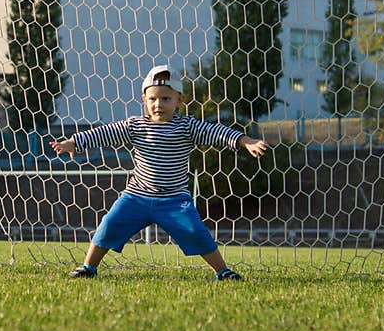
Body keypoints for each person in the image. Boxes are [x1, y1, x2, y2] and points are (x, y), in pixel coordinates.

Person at [49, 64, 268, 281]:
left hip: (174, 200)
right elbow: (105, 133)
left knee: (196, 232)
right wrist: (74, 142)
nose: (158, 104)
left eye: (166, 99)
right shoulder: (135, 125)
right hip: (136, 197)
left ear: (179, 100)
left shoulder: (187, 126)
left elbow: (215, 132)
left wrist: (245, 141)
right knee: (109, 226)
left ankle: (222, 271)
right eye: (152, 99)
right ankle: (88, 267)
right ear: (144, 100)